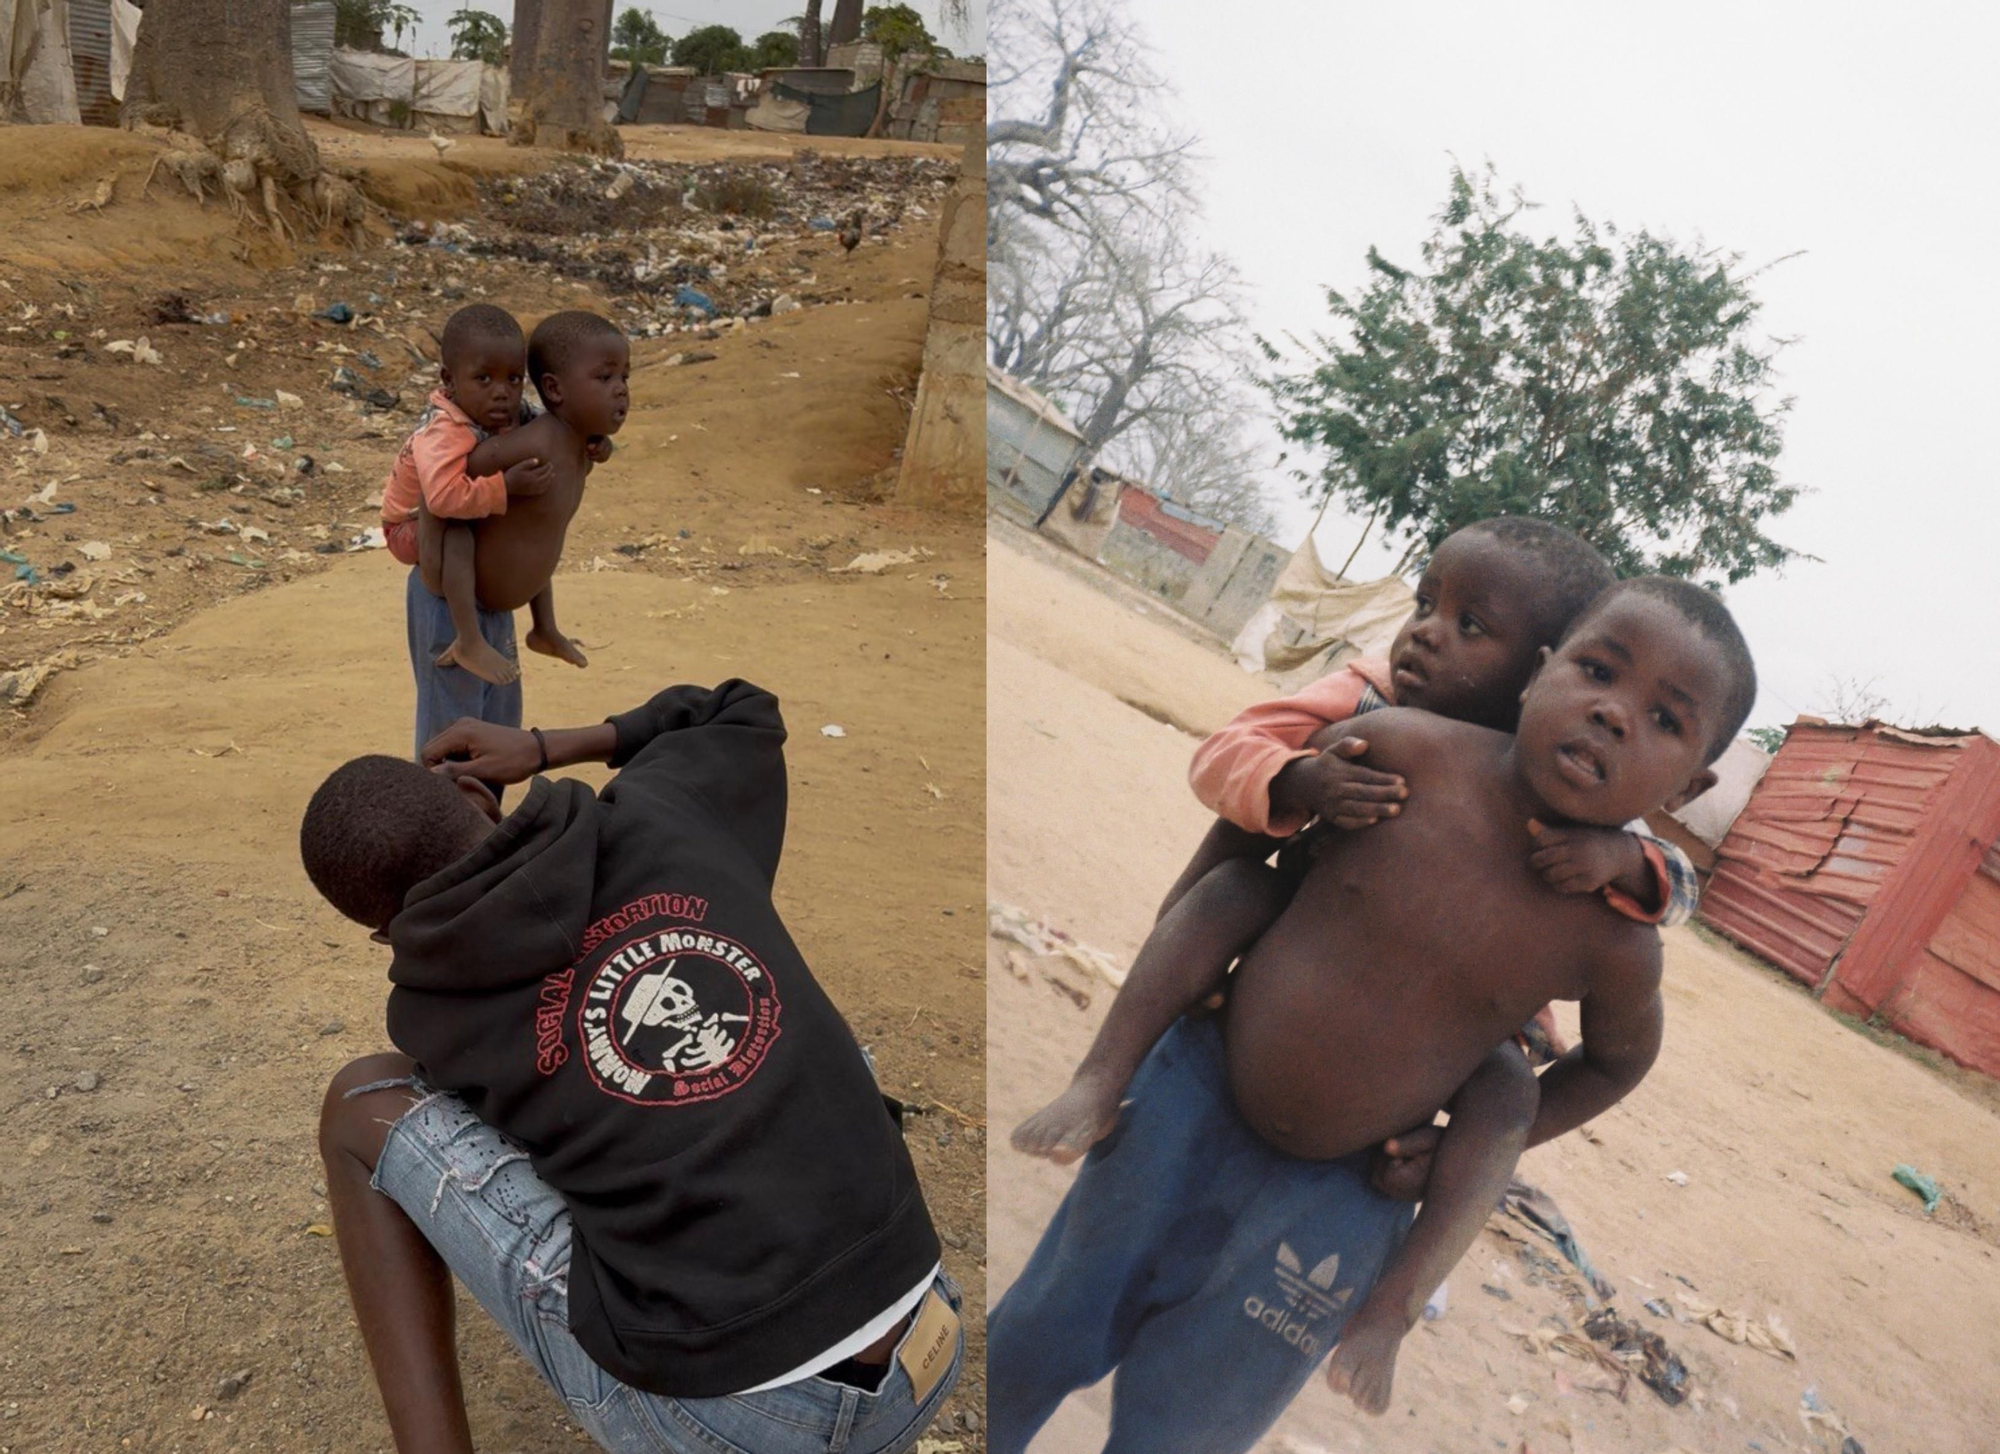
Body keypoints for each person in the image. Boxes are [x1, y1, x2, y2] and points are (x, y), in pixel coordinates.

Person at [990, 576, 1756, 1454]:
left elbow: (1620, 1060)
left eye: (1665, 720)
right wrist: (1184, 958)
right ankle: (1097, 1082)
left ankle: (1392, 1310)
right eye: (1598, 671)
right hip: (1192, 1096)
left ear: (1688, 788)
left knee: (1191, 1425)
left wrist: (1448, 1153)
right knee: (1041, 1331)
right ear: (1538, 674)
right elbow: (1244, 838)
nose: (1614, 714)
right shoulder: (1400, 752)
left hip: (1350, 1192)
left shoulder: (1613, 939)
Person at [301, 680, 964, 1454]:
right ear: (478, 792)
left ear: (385, 934)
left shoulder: (432, 1011)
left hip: (727, 1426)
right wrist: (543, 747)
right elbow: (739, 709)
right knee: (795, 1040)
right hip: (922, 1329)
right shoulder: (667, 811)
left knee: (362, 1098)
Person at [390, 307, 619, 761]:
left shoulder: (520, 419)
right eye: (484, 379)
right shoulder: (443, 430)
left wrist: (596, 441)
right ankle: (467, 639)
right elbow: (442, 498)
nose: (502, 393)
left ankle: (543, 628)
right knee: (451, 734)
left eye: (513, 380)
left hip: (487, 589)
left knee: (534, 530)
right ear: (449, 380)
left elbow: (552, 426)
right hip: (412, 526)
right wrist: (504, 487)